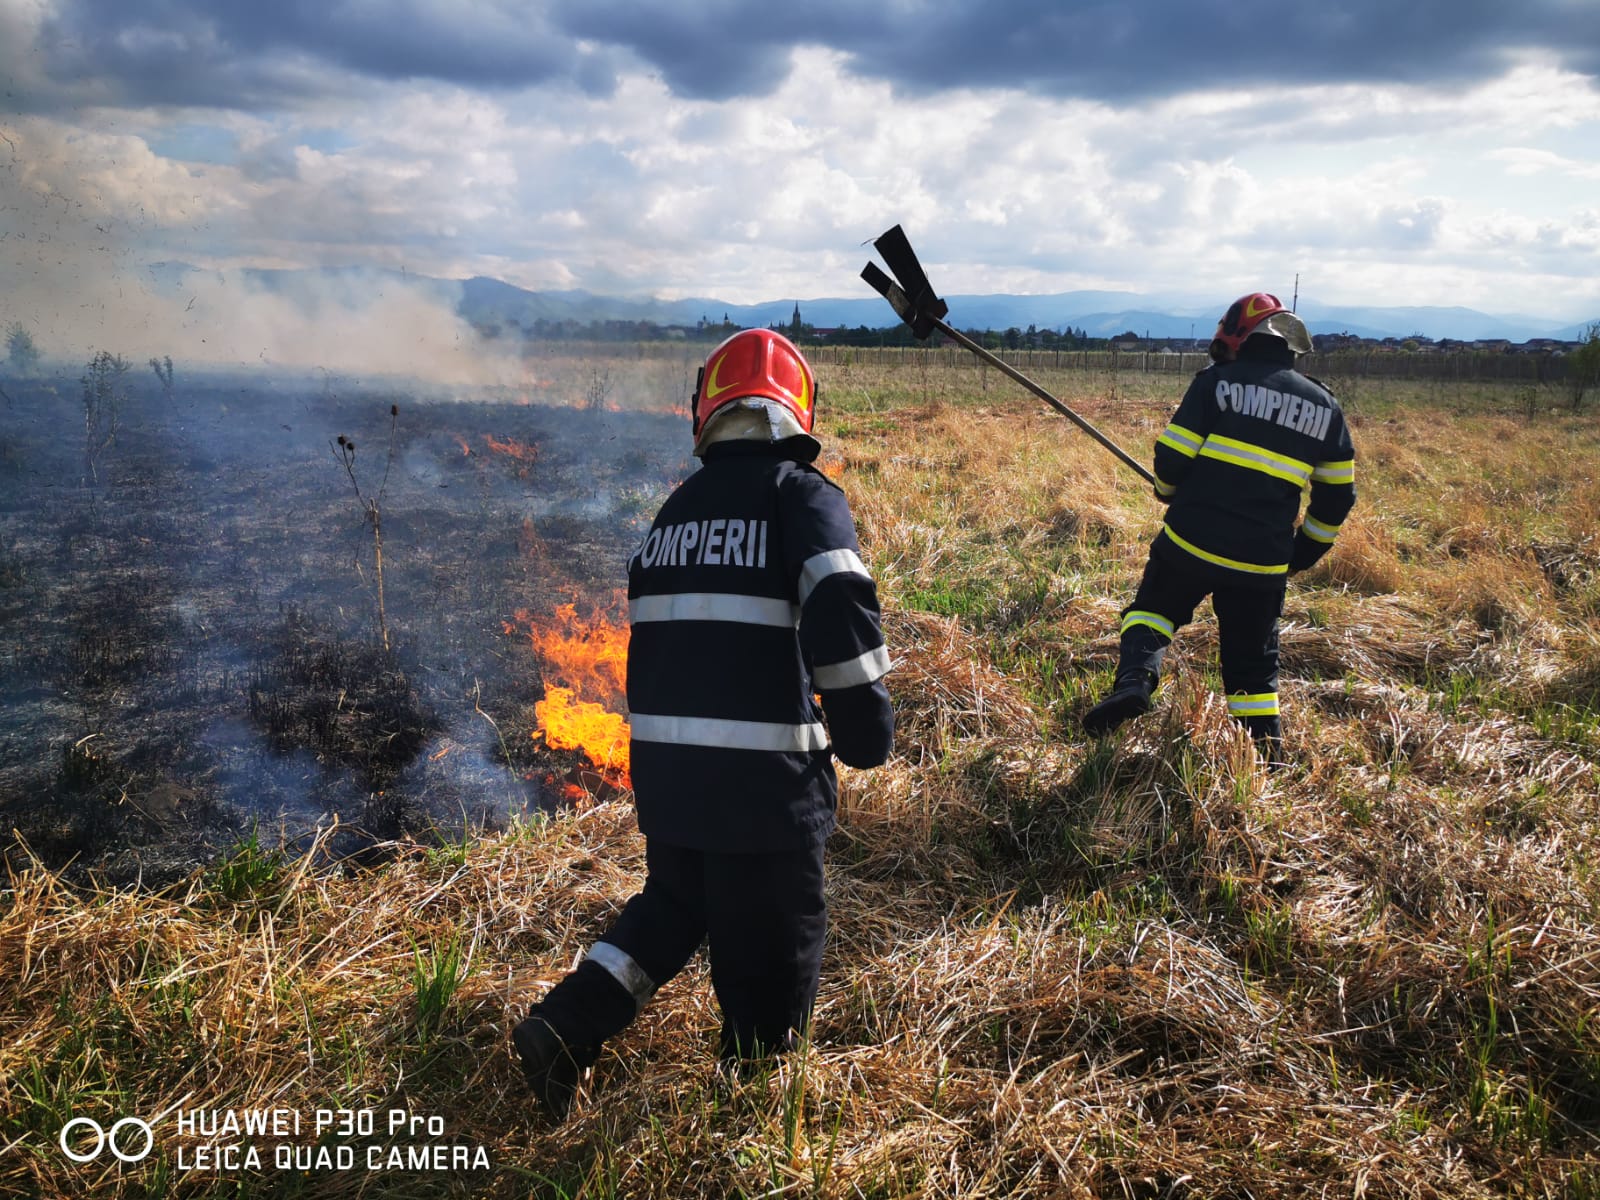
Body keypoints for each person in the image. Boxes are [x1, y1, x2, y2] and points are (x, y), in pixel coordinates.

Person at [512, 328, 894, 1121]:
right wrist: (864, 733)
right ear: (796, 411)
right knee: (774, 952)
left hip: (674, 784)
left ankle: (564, 1025)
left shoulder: (672, 516)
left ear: (707, 412)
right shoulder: (802, 495)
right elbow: (839, 605)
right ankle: (749, 1114)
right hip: (766, 796)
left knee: (674, 910)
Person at [1081, 293, 1356, 760]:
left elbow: (1171, 458)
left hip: (1191, 541)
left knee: (1154, 611)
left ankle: (1134, 682)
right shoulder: (1325, 407)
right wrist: (1302, 553)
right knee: (1252, 663)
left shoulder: (1215, 383)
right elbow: (1337, 497)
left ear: (1238, 335)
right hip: (1263, 562)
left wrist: (1168, 492)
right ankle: (1264, 756)